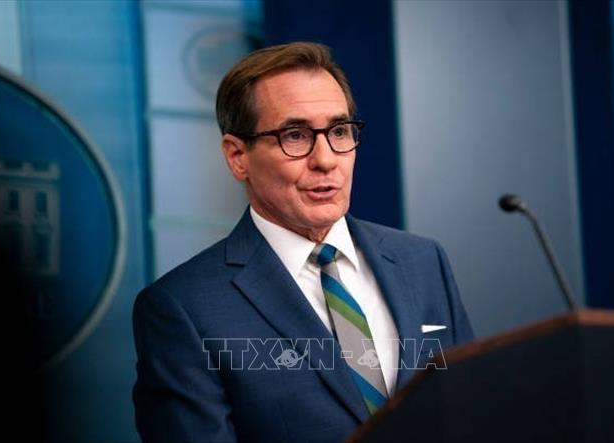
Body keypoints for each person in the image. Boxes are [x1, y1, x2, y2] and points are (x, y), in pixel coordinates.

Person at [132, 41, 474, 443]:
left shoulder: (422, 261)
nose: (326, 160)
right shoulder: (183, 308)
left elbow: (470, 411)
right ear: (238, 156)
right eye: (295, 136)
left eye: (339, 131)